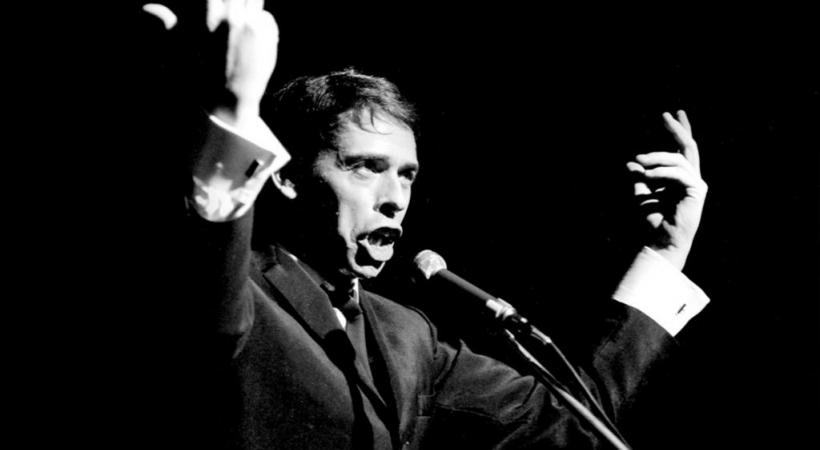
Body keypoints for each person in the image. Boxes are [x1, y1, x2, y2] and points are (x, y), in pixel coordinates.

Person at [141, 1, 710, 448]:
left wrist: (667, 250)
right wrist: (231, 117)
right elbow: (207, 302)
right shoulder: (238, 290)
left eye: (407, 176)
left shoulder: (408, 335)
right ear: (287, 178)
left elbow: (573, 423)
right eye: (365, 167)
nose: (395, 199)